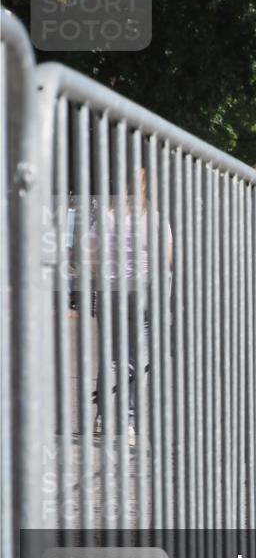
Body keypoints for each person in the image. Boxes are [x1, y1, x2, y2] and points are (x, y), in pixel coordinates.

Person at [89, 168, 173, 445]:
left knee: (111, 358)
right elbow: (168, 258)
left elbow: (90, 254)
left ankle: (102, 417)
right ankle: (129, 423)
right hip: (144, 292)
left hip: (110, 290)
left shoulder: (106, 217)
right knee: (139, 360)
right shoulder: (156, 219)